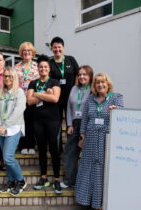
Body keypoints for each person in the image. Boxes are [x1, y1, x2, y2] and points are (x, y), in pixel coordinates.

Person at [75, 73, 124, 210]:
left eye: (103, 83)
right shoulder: (90, 99)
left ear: (108, 84)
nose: (100, 85)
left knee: (102, 171)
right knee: (88, 170)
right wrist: (82, 135)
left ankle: (101, 203)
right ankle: (90, 202)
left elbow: (123, 117)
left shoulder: (116, 98)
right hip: (90, 140)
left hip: (106, 140)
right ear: (94, 86)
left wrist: (115, 112)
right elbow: (84, 118)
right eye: (97, 83)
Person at [27, 54, 62, 194]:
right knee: (41, 149)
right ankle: (43, 178)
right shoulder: (33, 83)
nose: (43, 69)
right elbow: (29, 101)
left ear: (49, 68)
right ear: (38, 68)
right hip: (38, 121)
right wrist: (44, 94)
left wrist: (37, 94)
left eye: (45, 67)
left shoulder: (55, 82)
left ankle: (57, 180)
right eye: (40, 66)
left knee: (54, 150)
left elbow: (55, 98)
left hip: (53, 121)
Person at [0, 67, 27, 196]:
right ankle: (11, 180)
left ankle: (21, 181)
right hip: (1, 129)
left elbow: (18, 112)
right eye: (5, 76)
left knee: (8, 158)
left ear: (14, 78)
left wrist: (5, 125)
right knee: (5, 157)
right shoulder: (0, 93)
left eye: (10, 76)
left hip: (13, 128)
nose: (7, 78)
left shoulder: (19, 93)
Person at [60, 65, 93, 189]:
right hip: (74, 124)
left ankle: (85, 184)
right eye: (79, 74)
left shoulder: (93, 90)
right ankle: (70, 180)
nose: (81, 77)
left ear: (90, 76)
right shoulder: (74, 88)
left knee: (88, 155)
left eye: (84, 74)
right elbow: (69, 107)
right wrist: (69, 124)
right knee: (69, 153)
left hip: (88, 124)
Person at [49, 36, 79, 151]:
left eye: (59, 47)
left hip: (70, 97)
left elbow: (78, 73)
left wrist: (76, 89)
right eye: (55, 48)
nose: (57, 50)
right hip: (56, 98)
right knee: (57, 122)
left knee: (70, 121)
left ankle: (71, 146)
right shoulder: (50, 62)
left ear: (63, 47)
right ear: (52, 49)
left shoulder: (70, 60)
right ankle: (58, 148)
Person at [15, 42, 39, 155]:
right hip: (20, 99)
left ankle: (31, 145)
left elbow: (39, 83)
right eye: (24, 50)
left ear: (32, 53)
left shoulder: (37, 66)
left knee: (32, 123)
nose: (27, 52)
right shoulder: (17, 67)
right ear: (21, 53)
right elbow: (14, 83)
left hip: (32, 99)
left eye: (29, 50)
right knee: (21, 123)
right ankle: (23, 145)